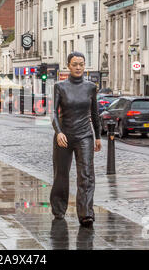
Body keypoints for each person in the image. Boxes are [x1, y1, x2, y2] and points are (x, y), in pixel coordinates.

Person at [51, 51, 101, 228]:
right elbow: (53, 113)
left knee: (86, 174)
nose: (78, 67)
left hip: (85, 135)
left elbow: (95, 113)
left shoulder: (91, 87)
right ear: (68, 66)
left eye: (81, 64)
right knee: (61, 174)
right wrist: (58, 132)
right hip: (64, 136)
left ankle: (86, 212)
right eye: (75, 64)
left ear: (84, 66)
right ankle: (58, 209)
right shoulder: (60, 86)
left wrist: (98, 136)